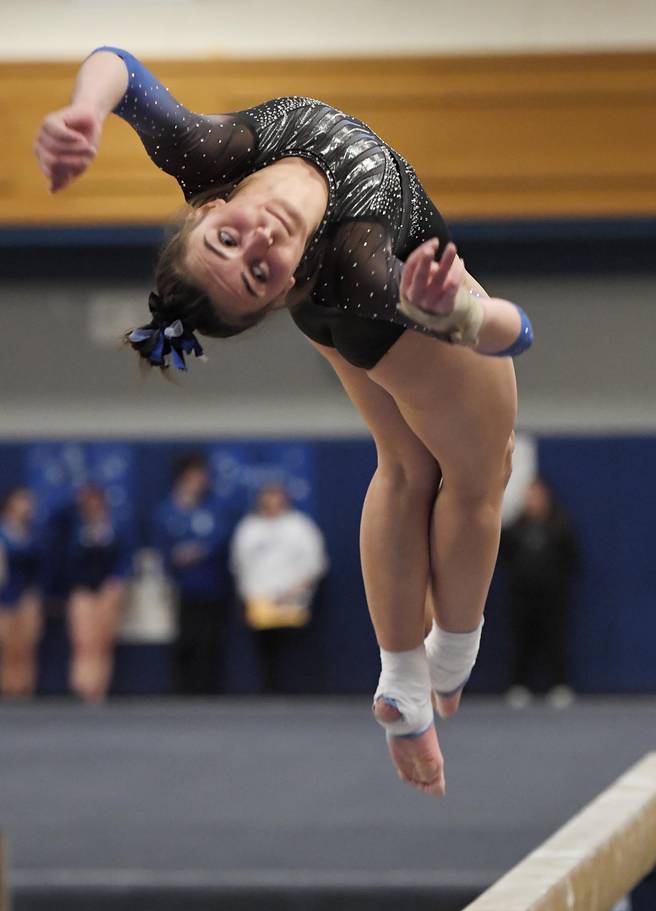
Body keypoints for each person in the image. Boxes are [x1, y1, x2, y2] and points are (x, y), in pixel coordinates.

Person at [34, 47, 534, 795]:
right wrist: (454, 314)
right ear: (280, 293)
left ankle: (404, 689)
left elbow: (118, 66)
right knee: (475, 472)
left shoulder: (213, 154)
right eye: (258, 273)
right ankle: (451, 658)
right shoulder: (362, 265)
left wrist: (84, 111)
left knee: (404, 466)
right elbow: (517, 330)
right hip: (385, 312)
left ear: (206, 207)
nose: (259, 241)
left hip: (353, 321)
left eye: (228, 241)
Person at [230, 480, 328, 692]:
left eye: (276, 495)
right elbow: (239, 565)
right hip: (260, 602)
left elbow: (316, 562)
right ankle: (268, 690)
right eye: (268, 495)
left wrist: (296, 590)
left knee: (293, 651)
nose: (272, 500)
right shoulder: (249, 528)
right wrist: (249, 597)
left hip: (294, 600)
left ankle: (298, 692)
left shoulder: (300, 526)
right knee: (266, 649)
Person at [152, 452, 234, 695]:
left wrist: (200, 550)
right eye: (198, 474)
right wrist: (176, 557)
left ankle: (210, 689)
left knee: (211, 639)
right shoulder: (167, 510)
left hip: (213, 585)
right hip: (182, 587)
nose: (203, 479)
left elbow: (221, 537)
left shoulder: (214, 507)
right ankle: (183, 690)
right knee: (185, 639)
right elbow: (161, 546)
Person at [500, 477, 580, 709]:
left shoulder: (560, 526)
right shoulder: (515, 528)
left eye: (538, 496)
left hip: (552, 597)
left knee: (554, 640)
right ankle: (519, 685)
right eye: (530, 496)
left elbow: (571, 559)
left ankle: (559, 684)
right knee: (522, 640)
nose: (533, 501)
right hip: (522, 596)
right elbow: (505, 557)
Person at [65, 483, 133, 702]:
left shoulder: (114, 528)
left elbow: (125, 558)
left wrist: (117, 580)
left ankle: (99, 688)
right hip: (83, 589)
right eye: (88, 502)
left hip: (107, 590)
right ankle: (83, 685)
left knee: (103, 640)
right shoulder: (73, 528)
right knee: (84, 640)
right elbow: (65, 557)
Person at [0, 487, 43, 699]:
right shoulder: (2, 533)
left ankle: (25, 686)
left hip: (27, 595)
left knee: (26, 643)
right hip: (4, 595)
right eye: (23, 501)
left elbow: (41, 567)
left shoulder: (33, 534)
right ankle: (8, 687)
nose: (27, 506)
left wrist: (34, 592)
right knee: (7, 644)